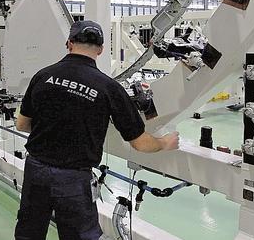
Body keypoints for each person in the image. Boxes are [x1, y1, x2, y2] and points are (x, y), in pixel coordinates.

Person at [14, 20, 179, 240]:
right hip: (74, 179)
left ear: (69, 43)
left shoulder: (42, 76)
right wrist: (164, 143)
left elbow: (22, 124)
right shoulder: (109, 88)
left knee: (29, 232)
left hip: (36, 171)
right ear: (100, 50)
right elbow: (140, 143)